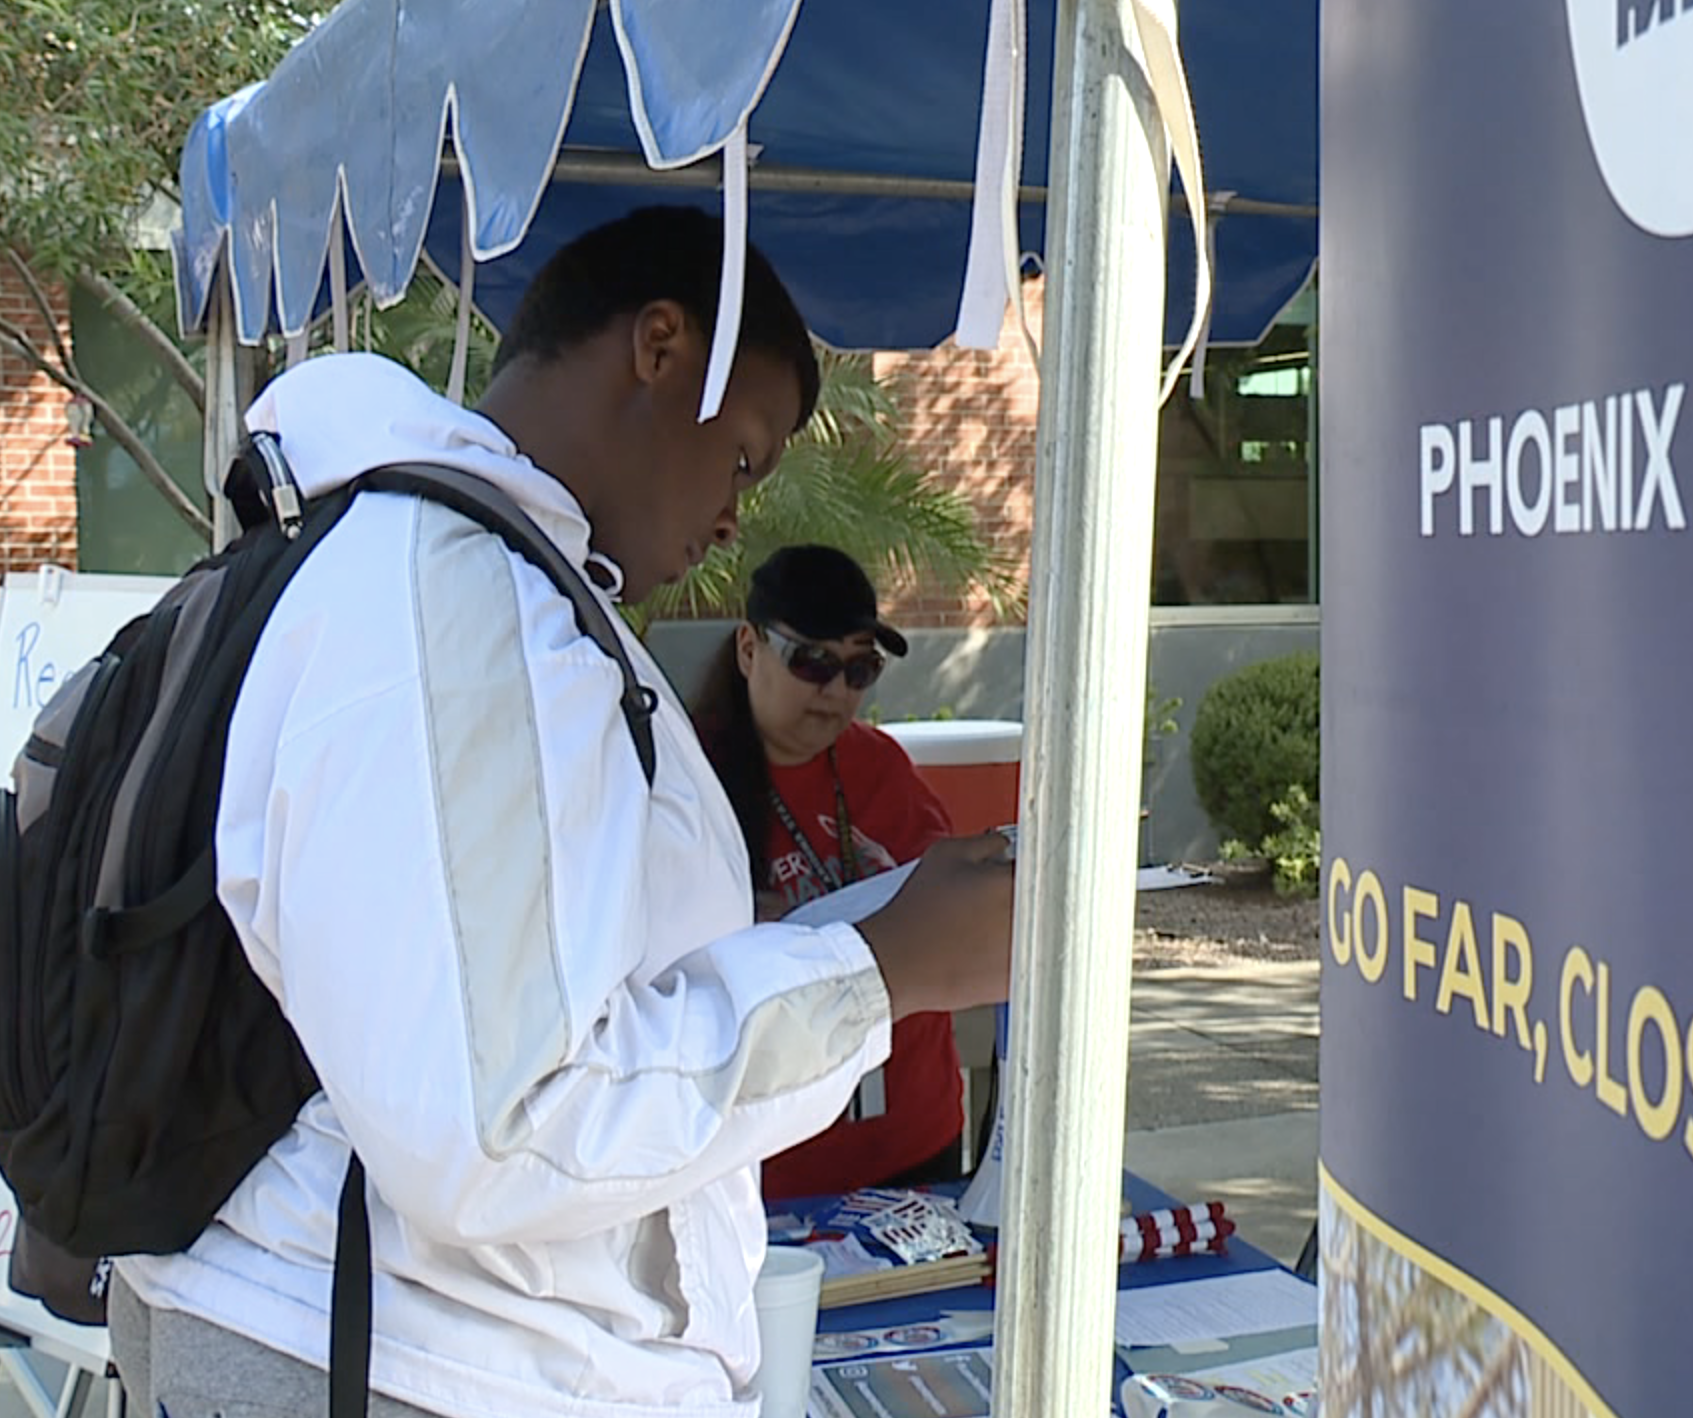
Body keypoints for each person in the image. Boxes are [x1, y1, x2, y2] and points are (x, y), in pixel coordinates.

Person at [104, 206, 1015, 1418]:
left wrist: (880, 925)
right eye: (742, 457)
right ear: (659, 348)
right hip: (409, 1358)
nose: (738, 515)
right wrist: (880, 972)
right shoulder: (450, 601)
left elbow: (572, 989)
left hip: (433, 1342)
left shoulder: (477, 586)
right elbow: (505, 1123)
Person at [690, 545, 966, 1199]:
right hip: (768, 1170)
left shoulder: (882, 768)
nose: (837, 691)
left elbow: (949, 906)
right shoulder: (687, 777)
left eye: (860, 669)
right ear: (749, 649)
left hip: (914, 1143)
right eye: (813, 662)